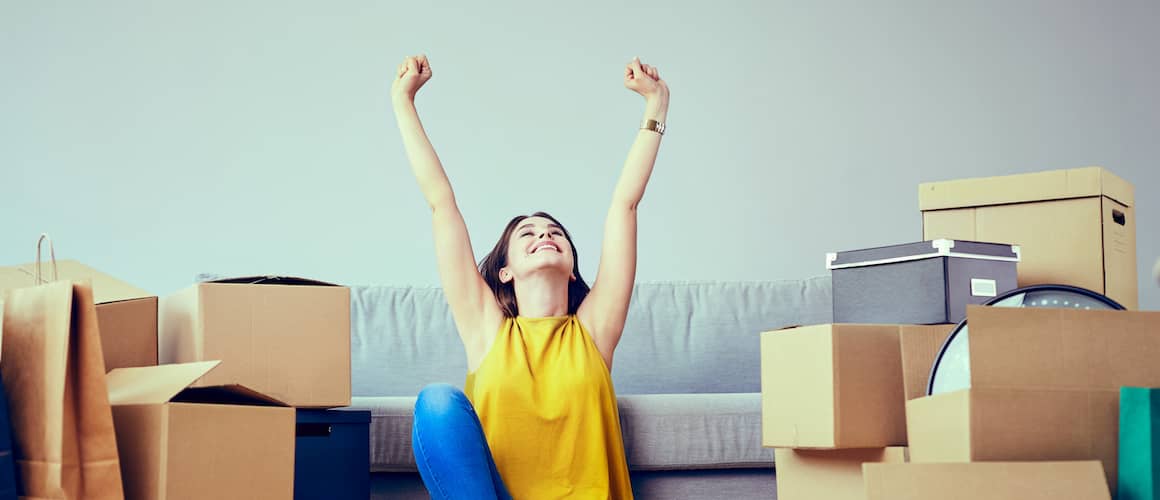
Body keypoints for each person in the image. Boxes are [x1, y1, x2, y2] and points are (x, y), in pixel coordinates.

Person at [390, 53, 668, 499]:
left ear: (573, 265)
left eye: (555, 231)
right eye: (529, 233)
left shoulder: (595, 331)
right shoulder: (486, 330)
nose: (545, 234)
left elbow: (625, 205)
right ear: (505, 270)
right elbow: (442, 203)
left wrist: (656, 105)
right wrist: (404, 101)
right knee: (437, 403)